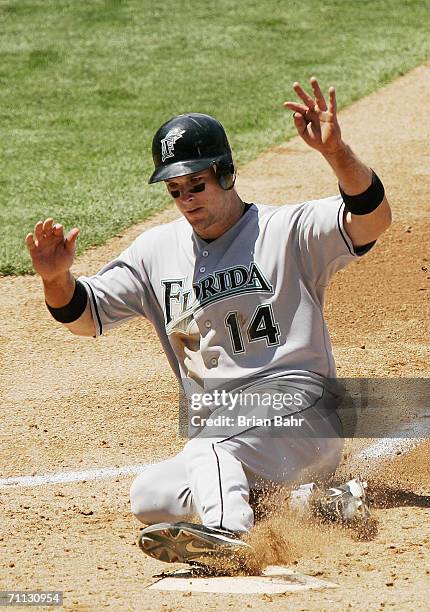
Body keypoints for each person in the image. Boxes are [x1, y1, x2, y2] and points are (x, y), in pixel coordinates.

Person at [26, 78, 391, 570]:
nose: (188, 200)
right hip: (236, 435)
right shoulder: (156, 252)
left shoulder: (286, 230)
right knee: (151, 495)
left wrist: (337, 153)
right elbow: (83, 313)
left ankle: (229, 537)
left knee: (209, 445)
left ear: (226, 173)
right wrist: (56, 278)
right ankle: (315, 504)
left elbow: (371, 219)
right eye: (176, 190)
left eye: (197, 185)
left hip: (303, 416)